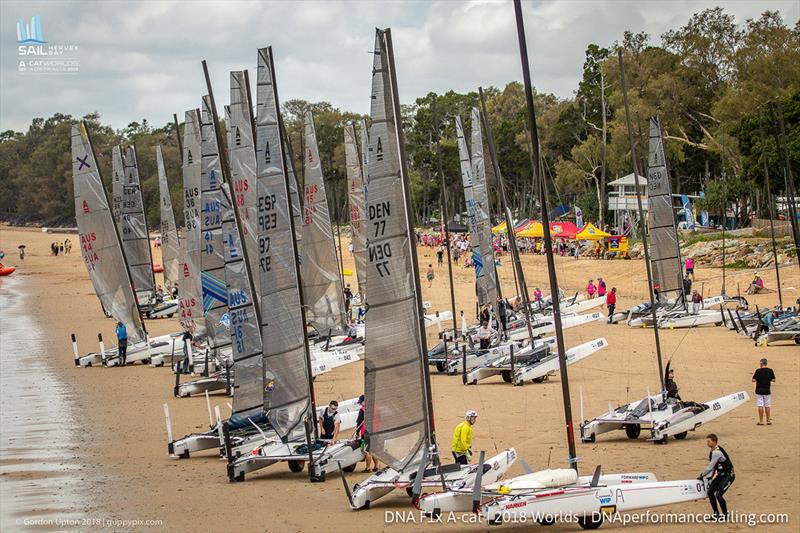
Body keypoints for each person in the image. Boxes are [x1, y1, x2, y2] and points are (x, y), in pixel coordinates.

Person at [698, 433, 735, 521]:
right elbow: (715, 466)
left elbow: (710, 467)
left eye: (709, 442)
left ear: (714, 442)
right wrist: (711, 477)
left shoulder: (716, 452)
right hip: (721, 474)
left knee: (718, 494)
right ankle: (716, 514)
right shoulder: (712, 451)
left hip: (729, 475)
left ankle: (725, 515)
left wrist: (702, 475)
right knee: (710, 492)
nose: (707, 443)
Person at [355, 395, 378, 472]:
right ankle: (376, 466)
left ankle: (368, 468)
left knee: (365, 450)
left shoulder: (362, 410)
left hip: (365, 433)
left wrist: (357, 433)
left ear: (364, 402)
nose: (361, 404)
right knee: (374, 450)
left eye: (361, 402)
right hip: (375, 432)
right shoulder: (375, 408)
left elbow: (359, 422)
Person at [752, 358, 775, 426]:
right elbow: (773, 379)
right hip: (767, 390)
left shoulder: (758, 371)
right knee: (767, 405)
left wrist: (758, 380)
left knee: (760, 405)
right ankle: (768, 420)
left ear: (761, 364)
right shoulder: (770, 371)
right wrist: (768, 379)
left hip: (759, 390)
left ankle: (761, 420)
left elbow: (753, 380)